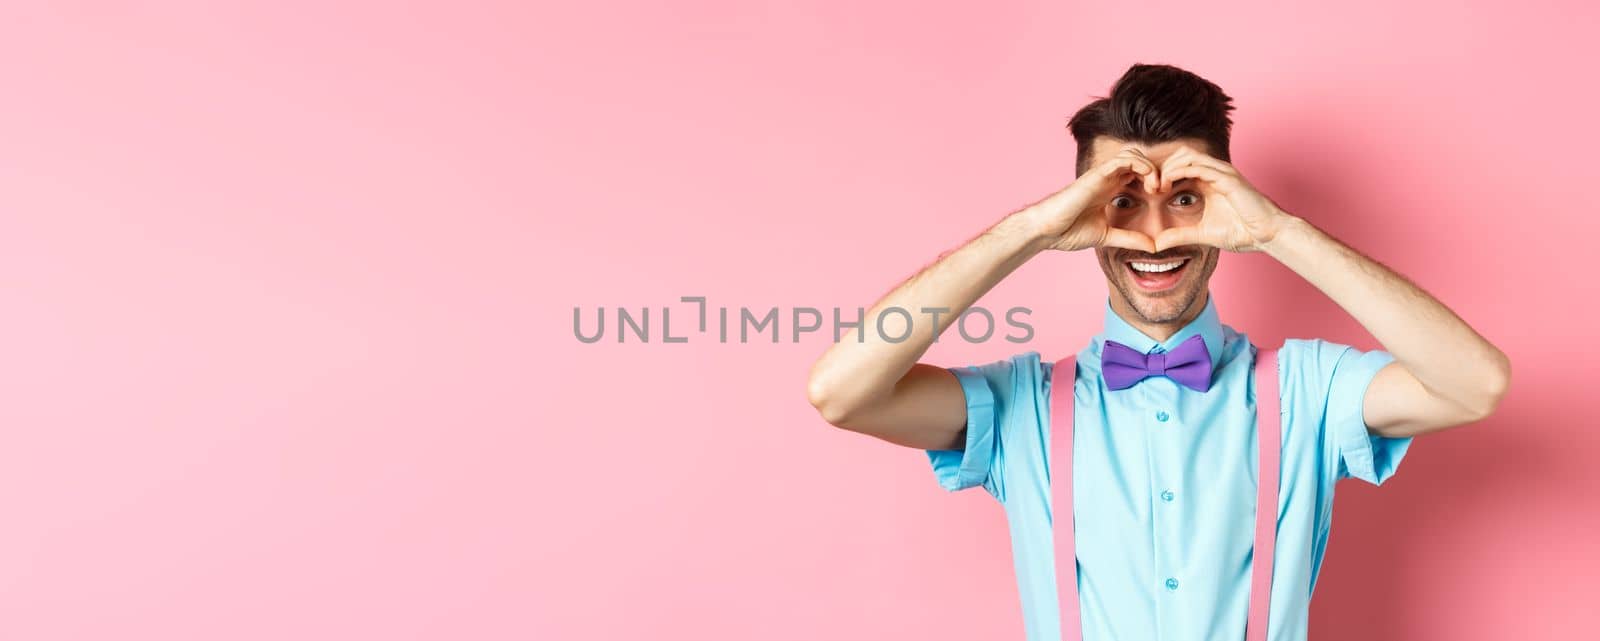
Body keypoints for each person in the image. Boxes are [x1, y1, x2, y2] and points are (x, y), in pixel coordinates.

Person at [804, 63, 1510, 641]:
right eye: (1121, 201)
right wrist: (1030, 230)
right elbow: (842, 390)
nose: (1154, 236)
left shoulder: (1308, 388)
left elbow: (1473, 384)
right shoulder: (1021, 404)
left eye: (1185, 198)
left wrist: (1279, 231)